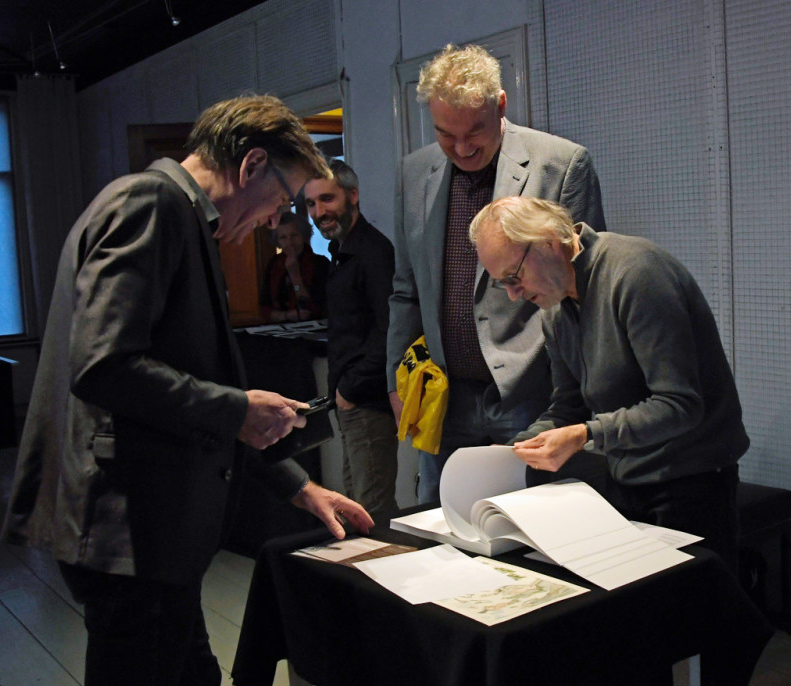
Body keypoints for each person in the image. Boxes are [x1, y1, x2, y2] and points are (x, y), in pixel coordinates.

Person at [0, 95, 373, 686]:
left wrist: (296, 487)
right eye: (283, 202)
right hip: (131, 527)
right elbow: (105, 364)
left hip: (148, 532)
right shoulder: (150, 204)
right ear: (252, 165)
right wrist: (236, 408)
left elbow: (180, 385)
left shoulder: (173, 215)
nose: (277, 218)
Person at [470, 196, 749, 569]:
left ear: (549, 240)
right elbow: (569, 406)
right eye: (501, 284)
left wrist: (585, 435)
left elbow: (679, 405)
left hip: (692, 479)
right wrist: (515, 450)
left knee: (693, 618)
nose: (512, 294)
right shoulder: (554, 311)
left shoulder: (636, 274)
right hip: (627, 476)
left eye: (513, 277)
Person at [386, 43, 606, 504]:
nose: (462, 148)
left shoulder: (561, 164)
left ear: (501, 105)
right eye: (447, 135)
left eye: (476, 132)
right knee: (441, 526)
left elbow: (583, 289)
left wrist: (580, 401)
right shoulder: (413, 173)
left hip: (533, 395)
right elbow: (406, 292)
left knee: (528, 528)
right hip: (442, 395)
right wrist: (395, 379)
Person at [305, 159, 399, 521]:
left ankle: (384, 578)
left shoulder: (373, 252)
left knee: (371, 512)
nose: (318, 212)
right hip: (351, 403)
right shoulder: (341, 253)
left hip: (367, 403)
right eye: (311, 204)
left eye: (327, 199)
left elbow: (390, 330)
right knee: (357, 506)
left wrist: (351, 389)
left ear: (353, 195)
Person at [260, 211, 330, 322]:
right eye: (283, 238)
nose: (290, 242)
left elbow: (314, 309)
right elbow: (264, 307)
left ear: (303, 235)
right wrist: (286, 315)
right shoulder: (274, 264)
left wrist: (295, 275)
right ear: (277, 241)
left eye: (294, 235)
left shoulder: (320, 263)